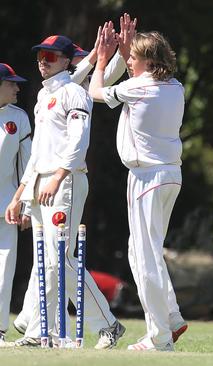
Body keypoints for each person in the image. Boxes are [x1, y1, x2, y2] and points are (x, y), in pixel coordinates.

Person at [12, 18, 131, 340]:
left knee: (57, 258)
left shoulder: (74, 94)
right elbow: (37, 151)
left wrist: (58, 176)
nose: (42, 62)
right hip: (40, 181)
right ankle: (41, 330)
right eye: (40, 57)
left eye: (50, 58)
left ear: (66, 60)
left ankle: (99, 324)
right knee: (46, 261)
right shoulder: (45, 94)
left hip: (65, 180)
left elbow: (79, 143)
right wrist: (22, 193)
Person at [89, 28, 187, 351]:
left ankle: (159, 336)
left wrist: (102, 61)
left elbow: (95, 92)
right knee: (144, 251)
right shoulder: (176, 88)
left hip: (146, 178)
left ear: (148, 60)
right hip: (171, 174)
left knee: (144, 257)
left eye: (133, 57)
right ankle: (170, 316)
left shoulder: (138, 88)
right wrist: (127, 49)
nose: (129, 62)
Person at [0, 64, 31, 347]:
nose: (17, 88)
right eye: (11, 83)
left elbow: (28, 165)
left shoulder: (18, 118)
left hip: (6, 206)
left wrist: (26, 205)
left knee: (4, 269)